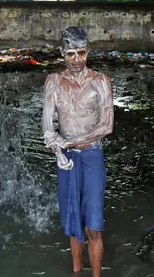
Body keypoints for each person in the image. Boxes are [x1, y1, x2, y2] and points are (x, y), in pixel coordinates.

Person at [42, 26, 114, 277]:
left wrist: (70, 144)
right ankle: (76, 271)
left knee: (93, 227)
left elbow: (106, 126)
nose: (76, 60)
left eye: (81, 53)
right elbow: (47, 124)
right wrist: (57, 150)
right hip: (67, 160)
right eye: (70, 53)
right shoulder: (53, 82)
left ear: (88, 51)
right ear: (62, 53)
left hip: (92, 155)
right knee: (74, 225)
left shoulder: (100, 81)